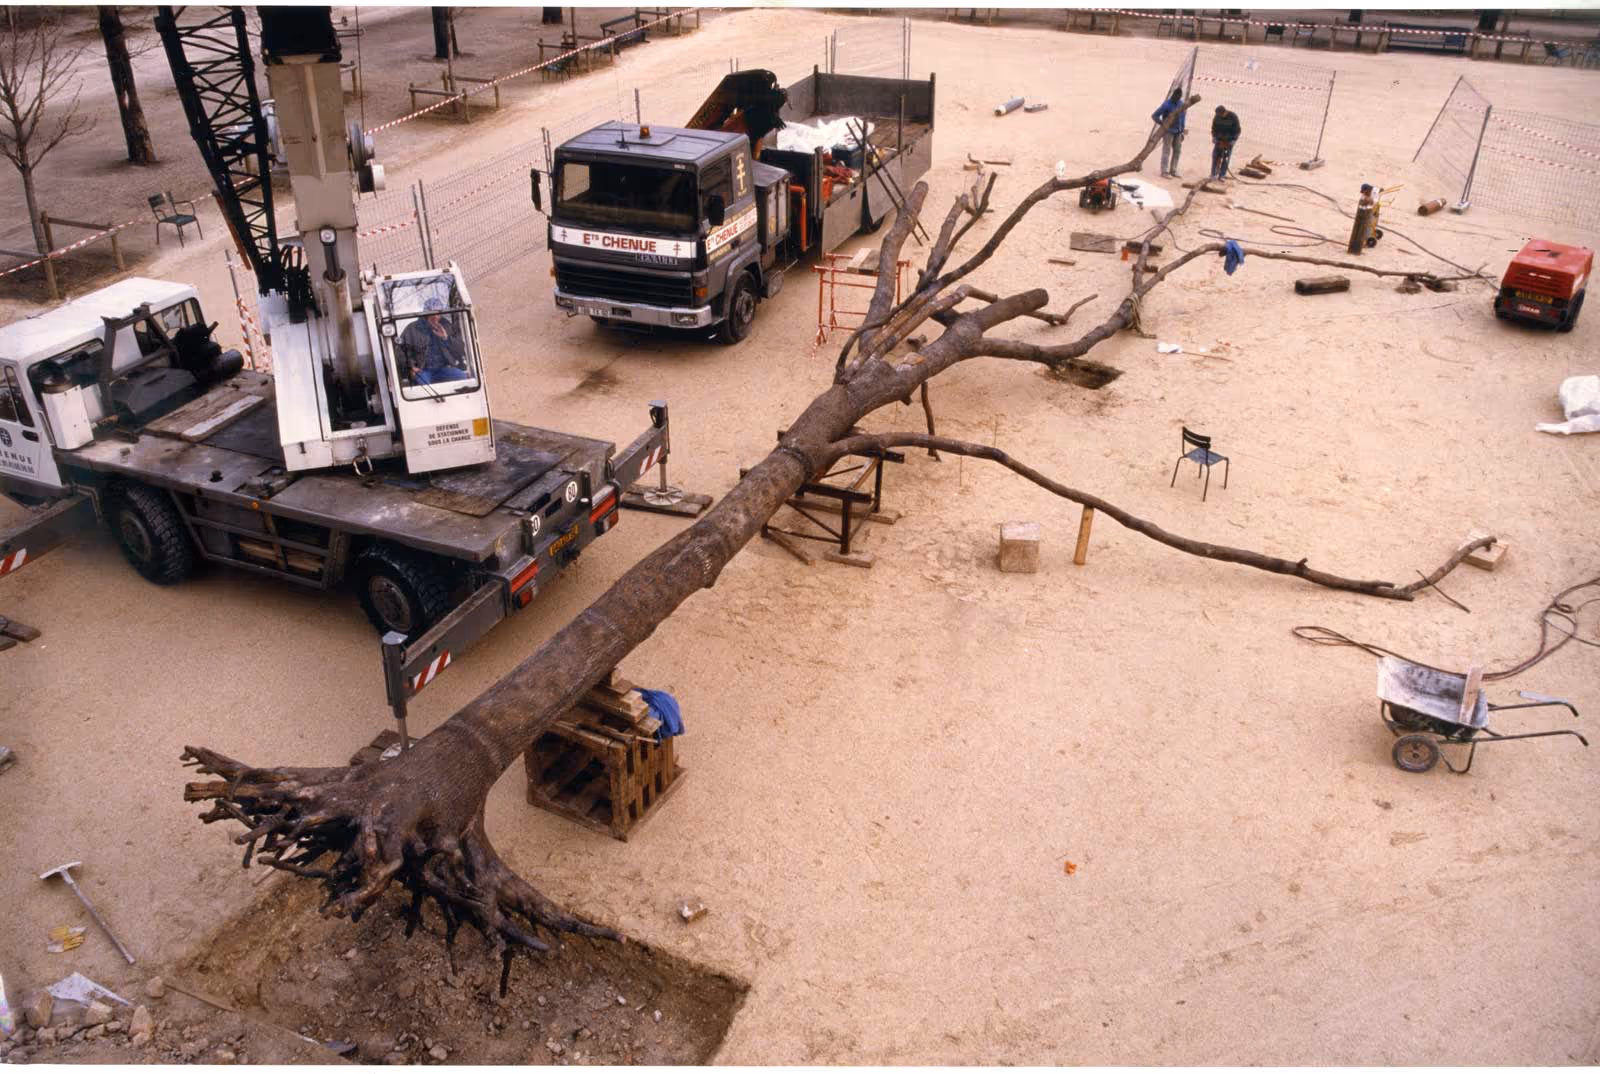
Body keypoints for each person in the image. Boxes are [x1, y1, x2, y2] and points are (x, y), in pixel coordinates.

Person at [398, 298, 470, 386]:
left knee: (461, 377)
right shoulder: (412, 329)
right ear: (425, 314)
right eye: (432, 314)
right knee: (423, 384)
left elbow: (461, 350)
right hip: (423, 370)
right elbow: (399, 352)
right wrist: (411, 367)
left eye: (438, 313)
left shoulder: (447, 326)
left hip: (444, 368)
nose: (436, 317)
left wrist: (446, 338)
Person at [1150, 89, 1187, 179]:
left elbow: (1182, 117)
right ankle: (1164, 171)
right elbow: (1154, 115)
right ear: (1173, 95)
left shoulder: (1181, 104)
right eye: (1176, 97)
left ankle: (1173, 170)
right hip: (1169, 132)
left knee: (1177, 151)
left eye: (1178, 97)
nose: (1177, 98)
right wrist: (1163, 124)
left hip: (1178, 131)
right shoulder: (1166, 105)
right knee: (1166, 151)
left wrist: (1182, 130)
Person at [1210, 105, 1241, 180]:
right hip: (1219, 140)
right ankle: (1213, 174)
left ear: (1225, 112)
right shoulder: (1217, 117)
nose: (1219, 116)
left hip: (1228, 141)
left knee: (1226, 158)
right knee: (1215, 156)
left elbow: (1238, 130)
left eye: (1221, 115)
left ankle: (1222, 175)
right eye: (1218, 115)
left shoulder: (1233, 117)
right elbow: (1213, 128)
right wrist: (1214, 137)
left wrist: (1234, 140)